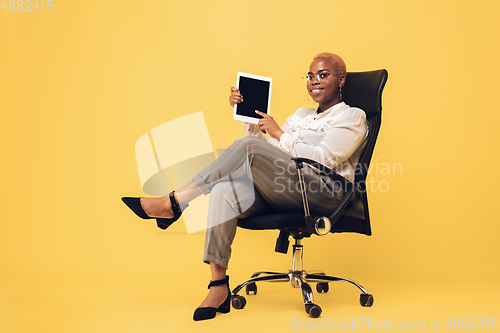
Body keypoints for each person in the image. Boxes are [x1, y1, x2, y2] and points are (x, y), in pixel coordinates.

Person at [122, 52, 368, 321]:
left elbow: (324, 158)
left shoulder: (353, 116)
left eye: (323, 75)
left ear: (341, 79)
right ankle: (218, 287)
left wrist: (278, 133)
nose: (314, 81)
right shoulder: (301, 115)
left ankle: (176, 201)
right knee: (223, 190)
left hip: (323, 193)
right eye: (310, 76)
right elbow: (265, 151)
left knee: (250, 148)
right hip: (287, 188)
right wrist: (249, 120)